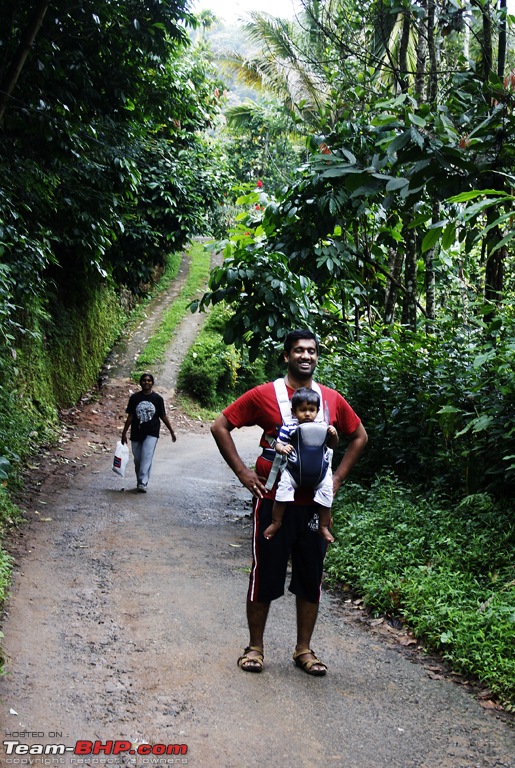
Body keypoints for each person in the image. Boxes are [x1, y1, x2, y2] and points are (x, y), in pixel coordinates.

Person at [211, 329, 367, 676]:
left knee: (311, 574)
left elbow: (359, 436)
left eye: (311, 351)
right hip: (273, 501)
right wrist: (242, 472)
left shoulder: (330, 400)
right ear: (286, 356)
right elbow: (220, 425)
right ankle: (255, 648)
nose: (306, 356)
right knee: (265, 571)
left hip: (313, 506)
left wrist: (337, 479)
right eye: (298, 350)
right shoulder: (265, 395)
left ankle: (303, 650)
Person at [263, 386, 338, 544]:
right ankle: (276, 522)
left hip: (320, 473)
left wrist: (334, 435)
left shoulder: (323, 427)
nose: (307, 414)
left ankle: (323, 525)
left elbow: (332, 445)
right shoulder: (289, 427)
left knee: (326, 493)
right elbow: (278, 444)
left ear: (317, 410)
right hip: (294, 472)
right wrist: (283, 448)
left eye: (311, 410)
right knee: (282, 492)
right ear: (294, 411)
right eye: (302, 410)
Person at [121, 373, 176, 492]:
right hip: (136, 431)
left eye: (149, 381)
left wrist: (171, 431)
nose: (146, 383)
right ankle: (140, 480)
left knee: (147, 456)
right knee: (137, 459)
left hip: (152, 431)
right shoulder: (135, 398)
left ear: (152, 383)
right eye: (144, 381)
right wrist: (124, 433)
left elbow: (163, 416)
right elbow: (130, 416)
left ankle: (142, 482)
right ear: (141, 383)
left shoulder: (157, 399)